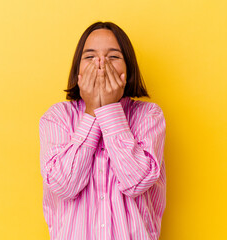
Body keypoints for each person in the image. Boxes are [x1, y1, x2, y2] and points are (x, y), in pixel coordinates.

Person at [39, 21, 166, 240]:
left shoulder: (149, 115)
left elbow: (136, 181)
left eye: (113, 57)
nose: (101, 65)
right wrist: (91, 111)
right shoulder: (57, 117)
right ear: (78, 70)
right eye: (90, 57)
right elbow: (64, 185)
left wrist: (109, 109)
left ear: (129, 68)